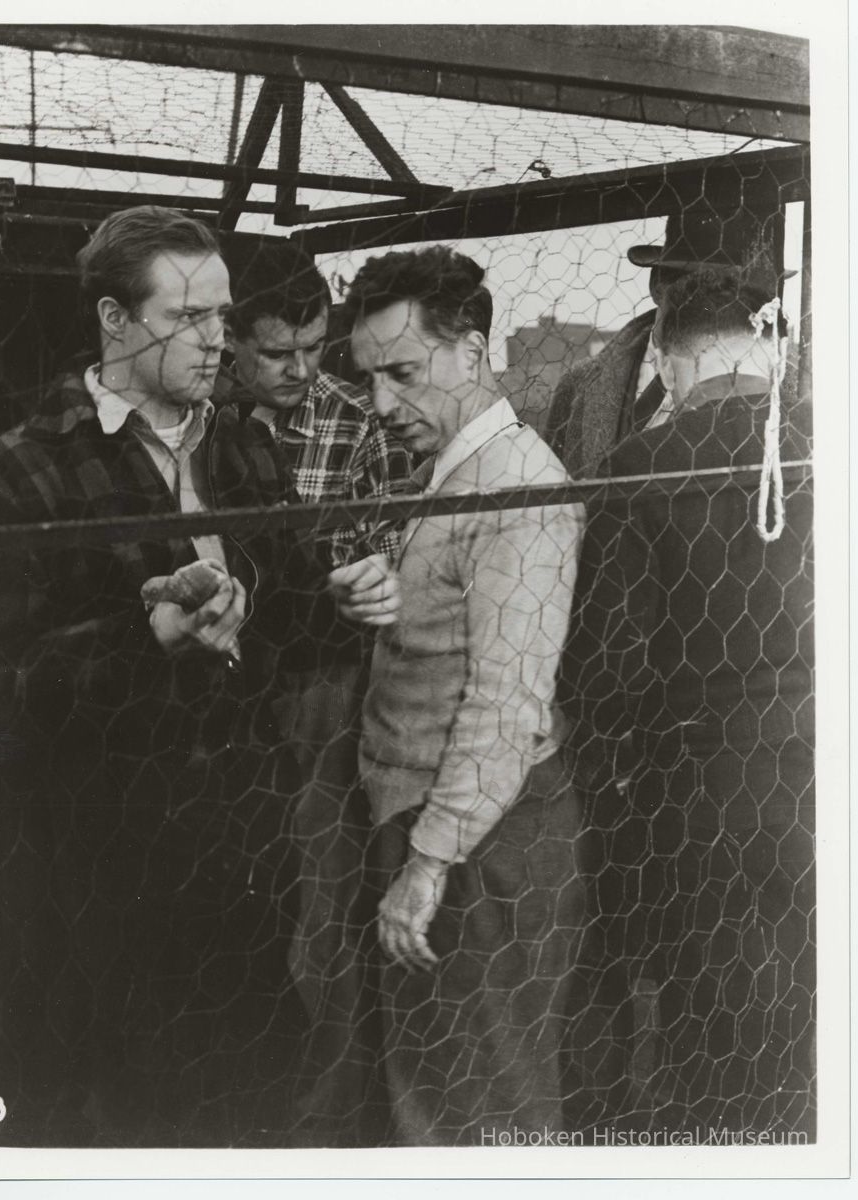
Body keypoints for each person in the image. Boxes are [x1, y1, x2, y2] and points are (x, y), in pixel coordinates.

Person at [0, 206, 396, 1146]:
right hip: (107, 859)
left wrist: (337, 603)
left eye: (221, 315)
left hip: (245, 838)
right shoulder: (29, 466)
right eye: (186, 317)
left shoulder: (242, 445)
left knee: (261, 1086)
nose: (216, 340)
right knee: (137, 1110)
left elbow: (278, 621)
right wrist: (145, 638)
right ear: (114, 321)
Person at [329, 245, 586, 1145]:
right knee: (434, 1089)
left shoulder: (519, 487)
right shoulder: (454, 472)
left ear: (471, 354)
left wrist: (429, 862)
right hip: (442, 825)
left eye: (402, 372)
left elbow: (510, 702)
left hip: (481, 844)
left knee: (485, 1106)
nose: (382, 406)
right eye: (369, 379)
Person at [558, 268, 815, 1138]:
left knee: (713, 1008)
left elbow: (609, 662)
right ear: (770, 351)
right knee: (815, 1003)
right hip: (825, 764)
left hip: (699, 781)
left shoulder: (642, 464)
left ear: (667, 369)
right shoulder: (832, 444)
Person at [223, 242, 414, 1142]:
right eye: (276, 354)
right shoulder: (196, 419)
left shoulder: (357, 422)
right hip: (208, 696)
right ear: (225, 339)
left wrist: (358, 579)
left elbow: (382, 554)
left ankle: (322, 1119)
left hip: (318, 689)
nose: (301, 371)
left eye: (312, 347)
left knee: (320, 910)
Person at [544, 203, 792, 477]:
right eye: (696, 286)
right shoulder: (579, 384)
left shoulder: (789, 384)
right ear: (657, 285)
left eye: (730, 290)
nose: (713, 301)